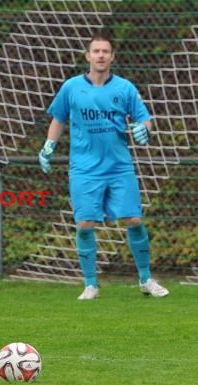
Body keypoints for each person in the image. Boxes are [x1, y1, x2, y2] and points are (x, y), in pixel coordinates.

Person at [38, 30, 169, 300]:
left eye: (105, 51)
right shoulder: (72, 87)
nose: (100, 55)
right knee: (85, 223)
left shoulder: (125, 88)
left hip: (120, 167)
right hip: (84, 168)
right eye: (95, 51)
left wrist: (144, 130)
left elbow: (144, 119)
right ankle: (90, 284)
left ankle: (145, 279)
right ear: (88, 55)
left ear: (112, 56)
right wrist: (49, 146)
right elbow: (58, 118)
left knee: (133, 219)